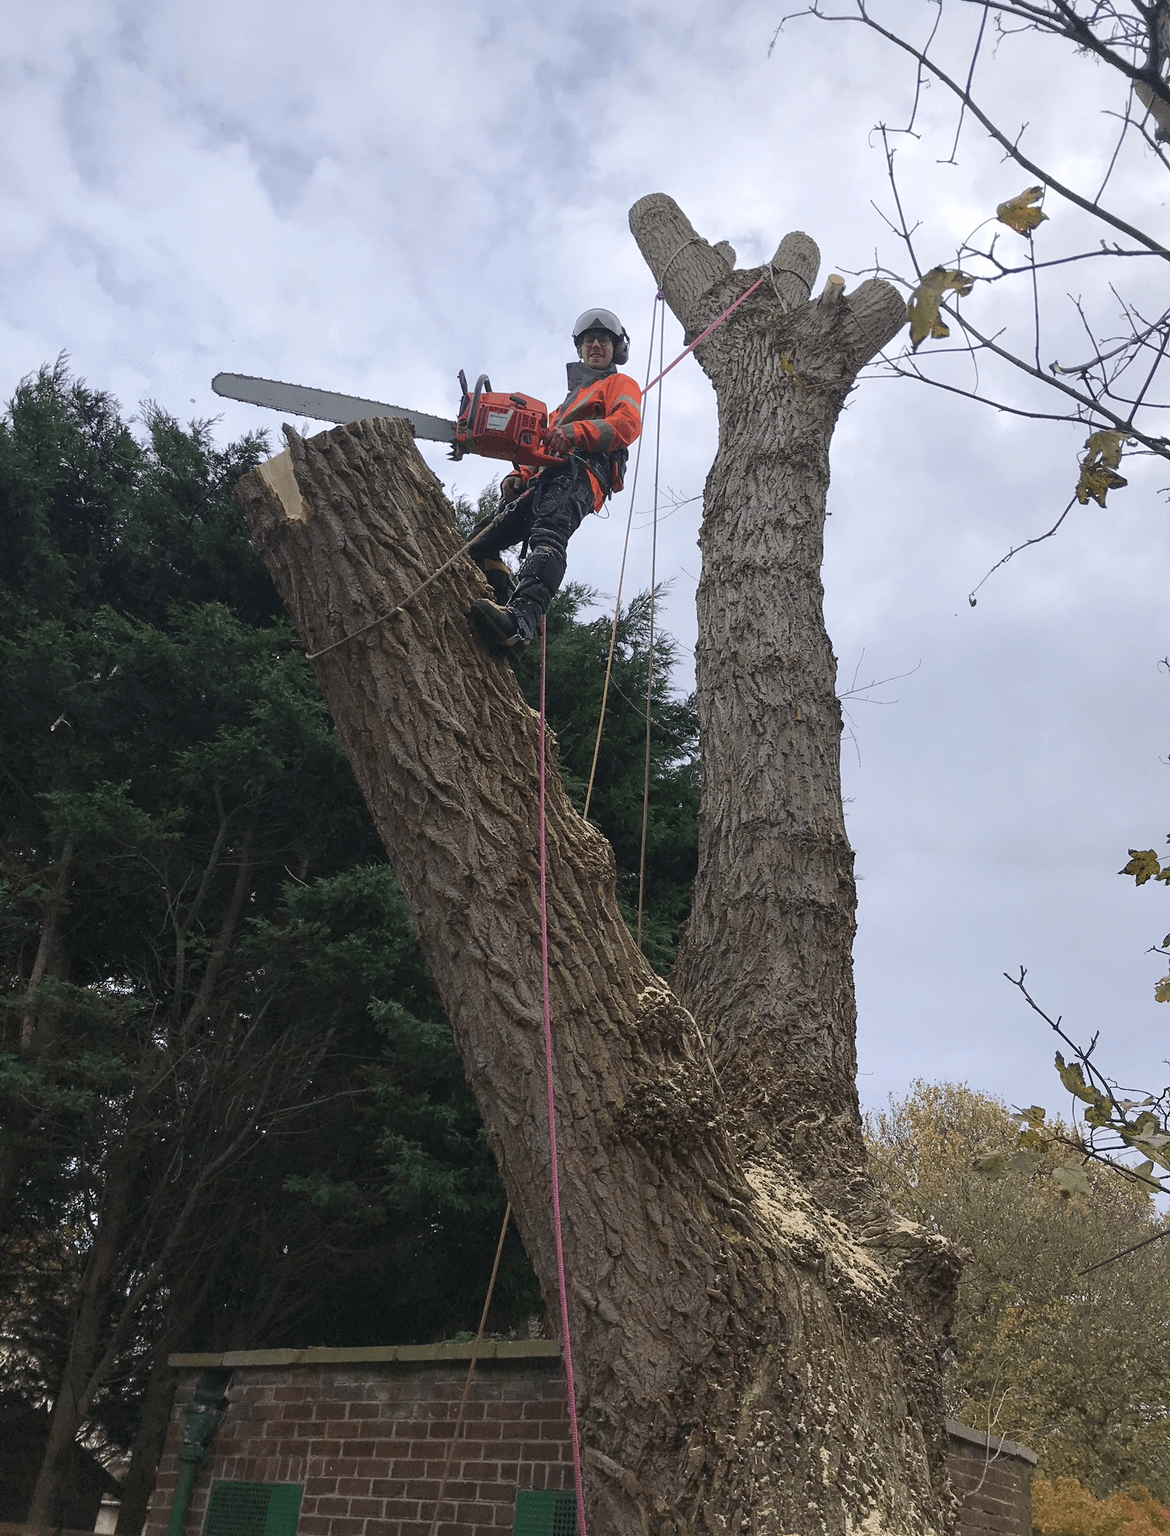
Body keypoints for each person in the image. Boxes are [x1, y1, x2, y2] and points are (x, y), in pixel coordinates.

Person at [467, 307, 643, 653]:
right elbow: (538, 446)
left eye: (603, 339)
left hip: (583, 472)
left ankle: (519, 623)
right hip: (544, 480)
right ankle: (498, 596)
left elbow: (626, 424)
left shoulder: (619, 384)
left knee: (548, 536)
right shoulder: (562, 407)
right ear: (578, 348)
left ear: (616, 348)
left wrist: (575, 433)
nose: (595, 345)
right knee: (480, 542)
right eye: (589, 340)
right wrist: (519, 475)